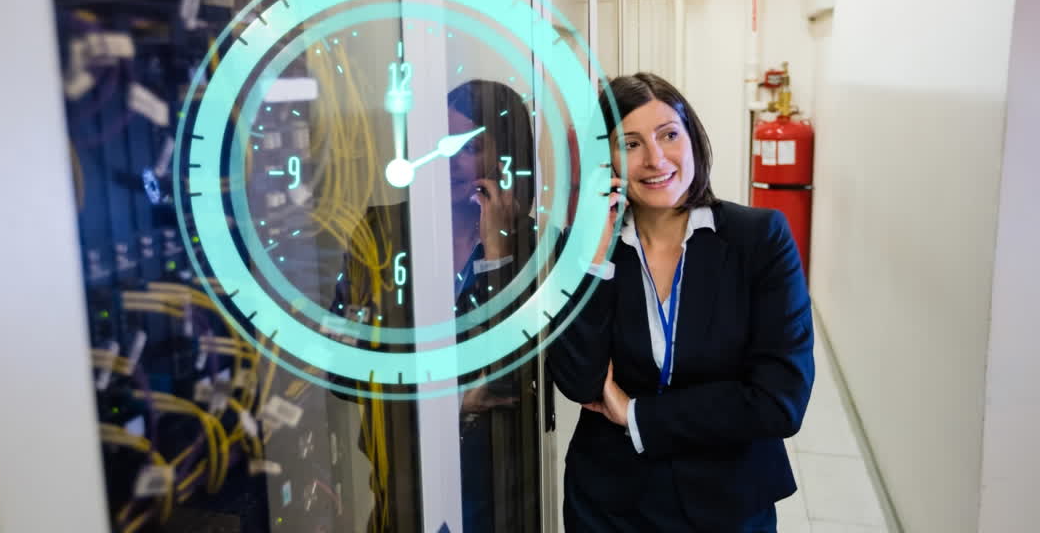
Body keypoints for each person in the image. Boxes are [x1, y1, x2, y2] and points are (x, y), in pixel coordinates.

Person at [548, 72, 814, 532]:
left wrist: (635, 414)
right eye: (629, 144)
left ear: (693, 140)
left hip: (728, 501)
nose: (655, 159)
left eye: (669, 135)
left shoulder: (759, 239)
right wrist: (595, 256)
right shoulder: (584, 250)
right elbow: (577, 381)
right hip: (609, 504)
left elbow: (780, 399)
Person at [333, 78, 541, 533]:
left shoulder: (536, 249)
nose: (448, 163)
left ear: (504, 157)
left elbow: (516, 381)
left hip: (498, 490)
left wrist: (498, 257)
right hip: (405, 482)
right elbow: (343, 374)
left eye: (468, 148)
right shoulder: (380, 233)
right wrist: (455, 397)